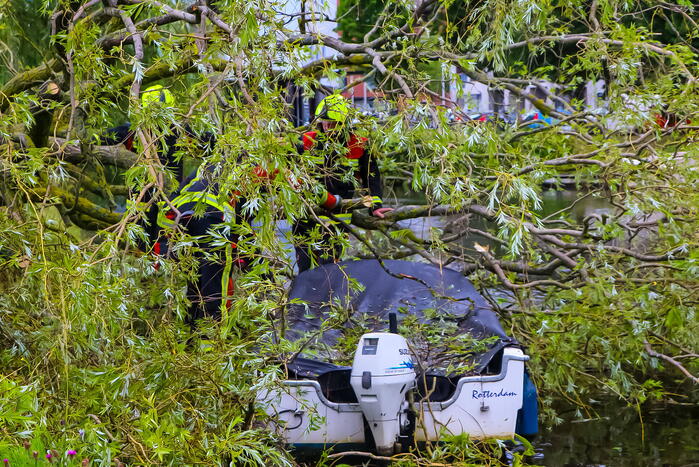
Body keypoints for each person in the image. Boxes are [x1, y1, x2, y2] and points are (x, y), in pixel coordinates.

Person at [293, 94, 393, 272]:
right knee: (306, 270)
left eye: (333, 124)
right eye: (324, 122)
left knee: (330, 269)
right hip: (306, 216)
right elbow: (288, 174)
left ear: (344, 124)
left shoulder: (358, 145)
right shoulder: (305, 142)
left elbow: (371, 176)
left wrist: (375, 204)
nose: (328, 127)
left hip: (338, 218)